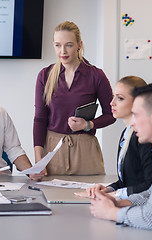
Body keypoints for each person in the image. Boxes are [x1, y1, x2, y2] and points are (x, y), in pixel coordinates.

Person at [33, 21, 115, 175]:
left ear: (79, 44)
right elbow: (39, 119)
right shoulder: (45, 75)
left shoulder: (96, 75)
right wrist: (39, 159)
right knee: (53, 197)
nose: (62, 51)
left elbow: (111, 115)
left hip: (85, 149)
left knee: (90, 197)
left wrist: (89, 124)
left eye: (69, 45)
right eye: (58, 45)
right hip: (52, 149)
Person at [89, 83, 152, 230]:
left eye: (136, 115)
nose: (132, 122)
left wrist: (111, 212)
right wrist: (117, 202)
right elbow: (151, 193)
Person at [76, 76, 152, 199]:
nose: (112, 103)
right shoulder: (126, 133)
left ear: (137, 102)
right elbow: (128, 182)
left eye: (120, 98)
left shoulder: (144, 137)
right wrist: (107, 189)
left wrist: (115, 195)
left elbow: (150, 185)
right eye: (113, 96)